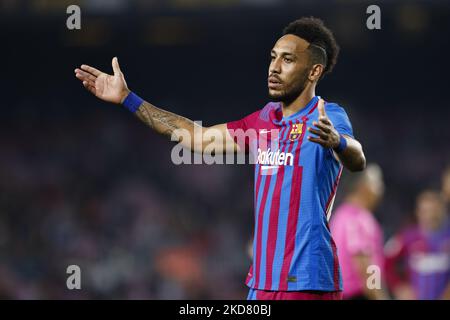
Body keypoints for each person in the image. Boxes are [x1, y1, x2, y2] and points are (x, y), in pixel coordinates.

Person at [74, 17, 366, 300]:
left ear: (314, 71)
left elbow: (357, 158)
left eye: (287, 60)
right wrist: (128, 98)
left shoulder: (327, 115)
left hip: (306, 280)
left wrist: (337, 141)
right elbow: (196, 137)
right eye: (273, 57)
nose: (274, 68)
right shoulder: (263, 121)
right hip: (262, 281)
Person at [330, 164, 388, 299]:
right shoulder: (359, 219)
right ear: (363, 186)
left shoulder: (339, 215)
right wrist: (380, 296)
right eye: (377, 182)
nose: (381, 188)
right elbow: (366, 267)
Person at [385, 191, 450, 300]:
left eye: (434, 211)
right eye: (425, 211)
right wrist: (399, 287)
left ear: (442, 211)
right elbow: (385, 262)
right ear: (418, 212)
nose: (430, 216)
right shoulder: (406, 237)